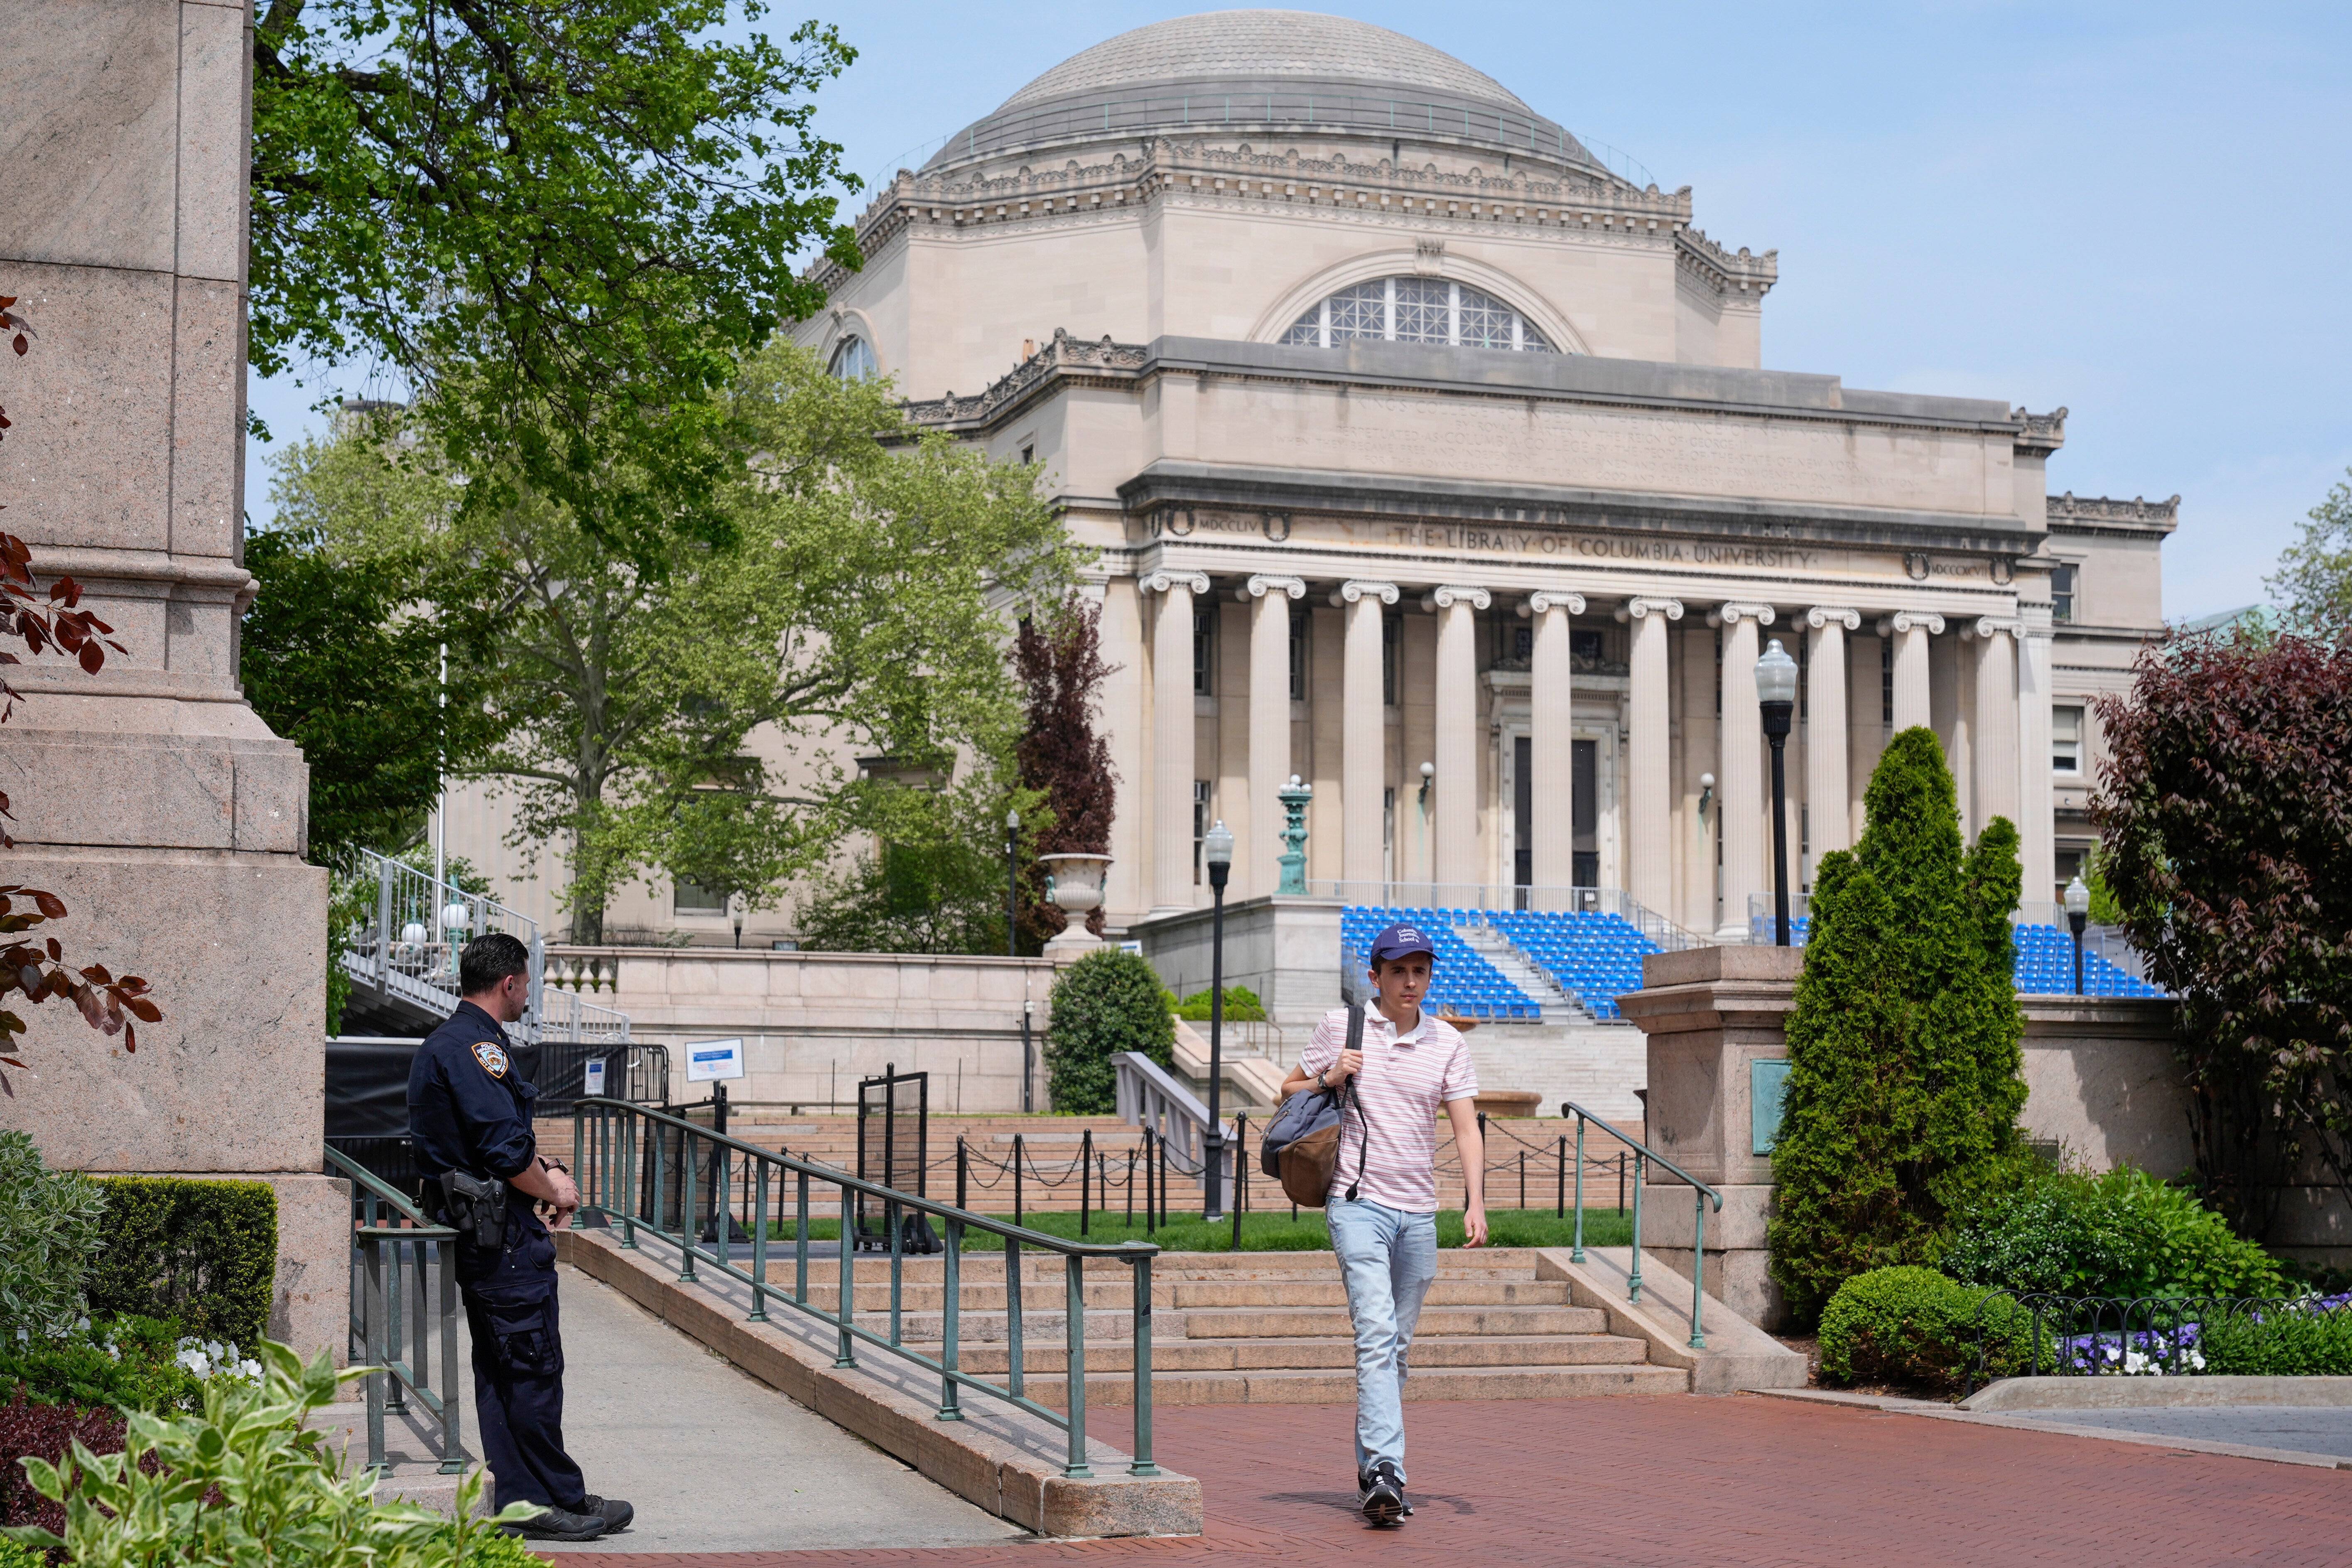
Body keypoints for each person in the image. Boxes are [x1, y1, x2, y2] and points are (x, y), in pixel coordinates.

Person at [409, 932, 633, 1543]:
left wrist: (546, 1172)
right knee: (530, 1368)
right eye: (526, 983)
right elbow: (503, 1149)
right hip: (499, 1240)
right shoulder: (476, 1048)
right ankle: (535, 1502)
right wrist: (553, 1191)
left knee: (507, 1369)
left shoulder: (454, 1043)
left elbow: (503, 1144)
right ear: (508, 982)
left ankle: (552, 1493)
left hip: (490, 1233)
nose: (528, 993)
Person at [1292, 923, 1485, 1528]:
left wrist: (1475, 1201)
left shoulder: (1447, 1044)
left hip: (1419, 1216)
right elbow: (1288, 1089)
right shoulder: (1344, 1027)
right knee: (1375, 1335)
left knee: (1394, 1350)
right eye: (1398, 971)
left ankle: (1372, 1468)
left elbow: (1464, 1127)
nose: (1410, 981)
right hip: (1358, 1205)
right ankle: (1387, 1472)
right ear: (1375, 976)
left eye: (1420, 971)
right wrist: (1331, 1075)